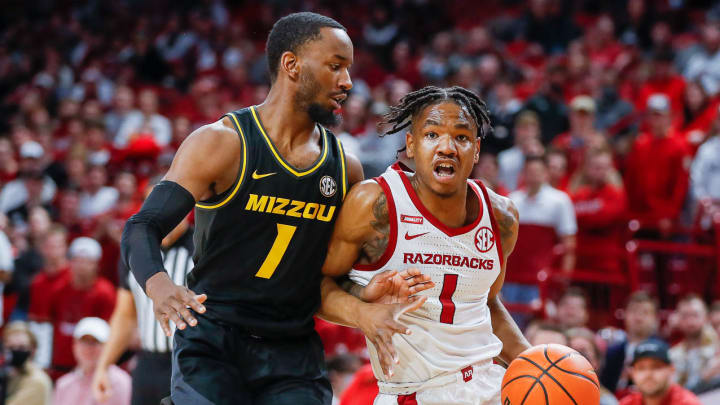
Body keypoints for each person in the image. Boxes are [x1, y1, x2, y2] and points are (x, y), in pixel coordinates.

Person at [121, 12, 422, 405]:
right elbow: (142, 226)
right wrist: (158, 285)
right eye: (335, 66)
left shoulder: (344, 167)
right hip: (214, 342)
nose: (347, 82)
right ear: (291, 65)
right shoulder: (223, 143)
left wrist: (363, 296)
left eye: (348, 69)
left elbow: (322, 283)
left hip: (291, 351)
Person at [319, 86, 530, 404]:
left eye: (461, 137)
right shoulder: (375, 204)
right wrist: (362, 313)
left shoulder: (501, 216)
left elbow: (485, 304)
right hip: (415, 393)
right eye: (432, 135)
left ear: (476, 150)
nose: (447, 147)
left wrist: (537, 365)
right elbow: (315, 284)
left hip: (491, 386)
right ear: (412, 144)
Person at [93, 180, 195, 405]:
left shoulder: (202, 248)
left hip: (193, 362)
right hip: (147, 364)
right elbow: (125, 316)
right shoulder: (134, 252)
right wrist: (103, 366)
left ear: (186, 209)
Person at [47, 236, 116, 378]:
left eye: (87, 261)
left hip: (90, 366)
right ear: (70, 262)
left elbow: (109, 331)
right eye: (77, 260)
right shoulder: (59, 289)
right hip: (59, 364)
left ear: (97, 264)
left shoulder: (105, 292)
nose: (81, 266)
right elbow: (49, 324)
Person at [53, 317, 132, 405]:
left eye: (95, 342)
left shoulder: (119, 382)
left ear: (107, 347)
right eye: (84, 341)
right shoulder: (64, 384)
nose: (88, 348)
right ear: (74, 345)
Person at [602, 291, 662, 393]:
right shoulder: (612, 352)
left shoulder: (662, 352)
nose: (638, 317)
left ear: (655, 319)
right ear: (624, 314)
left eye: (645, 312)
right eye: (634, 311)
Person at [620, 340, 702, 405]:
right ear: (632, 373)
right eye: (641, 368)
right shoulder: (627, 403)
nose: (648, 374)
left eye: (656, 367)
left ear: (671, 369)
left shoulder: (687, 403)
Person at [669, 294, 718, 391]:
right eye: (685, 316)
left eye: (695, 315)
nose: (690, 321)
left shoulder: (717, 350)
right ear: (677, 319)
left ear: (706, 317)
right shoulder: (672, 355)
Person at [566, 327, 619, 405]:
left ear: (596, 362)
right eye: (569, 352)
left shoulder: (607, 401)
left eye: (582, 353)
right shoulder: (549, 392)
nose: (576, 360)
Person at [3, 321, 52, 405]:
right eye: (11, 347)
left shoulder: (37, 381)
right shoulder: (10, 375)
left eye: (21, 347)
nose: (16, 351)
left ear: (33, 350)